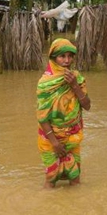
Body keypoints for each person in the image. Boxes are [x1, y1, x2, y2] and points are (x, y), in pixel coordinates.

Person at [36, 38, 92, 188]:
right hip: (51, 139)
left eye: (70, 56)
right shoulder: (45, 83)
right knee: (51, 179)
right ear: (54, 58)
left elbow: (87, 106)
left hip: (72, 136)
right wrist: (55, 143)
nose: (67, 60)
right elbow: (42, 117)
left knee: (75, 178)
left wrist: (74, 85)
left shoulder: (77, 78)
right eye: (62, 56)